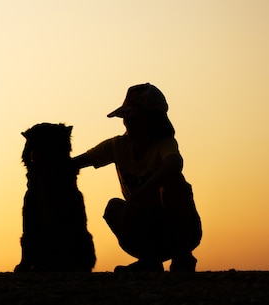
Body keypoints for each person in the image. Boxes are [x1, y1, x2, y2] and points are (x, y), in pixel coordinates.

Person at [71, 83, 202, 272]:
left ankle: (182, 257)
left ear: (153, 120)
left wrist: (137, 197)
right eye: (126, 118)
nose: (127, 123)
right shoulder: (118, 146)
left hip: (182, 230)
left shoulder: (164, 145)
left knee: (175, 185)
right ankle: (149, 260)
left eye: (134, 118)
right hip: (145, 227)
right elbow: (77, 162)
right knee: (114, 208)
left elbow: (174, 165)